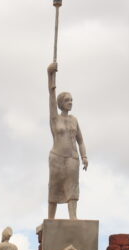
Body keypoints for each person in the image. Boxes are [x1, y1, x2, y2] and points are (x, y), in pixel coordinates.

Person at [46, 62, 87, 220]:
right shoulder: (55, 119)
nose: (70, 102)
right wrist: (50, 74)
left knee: (72, 189)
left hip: (72, 159)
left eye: (71, 100)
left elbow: (80, 141)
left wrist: (84, 156)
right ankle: (51, 219)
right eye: (67, 100)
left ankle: (73, 217)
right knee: (54, 188)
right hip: (57, 158)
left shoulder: (74, 120)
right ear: (61, 103)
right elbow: (51, 94)